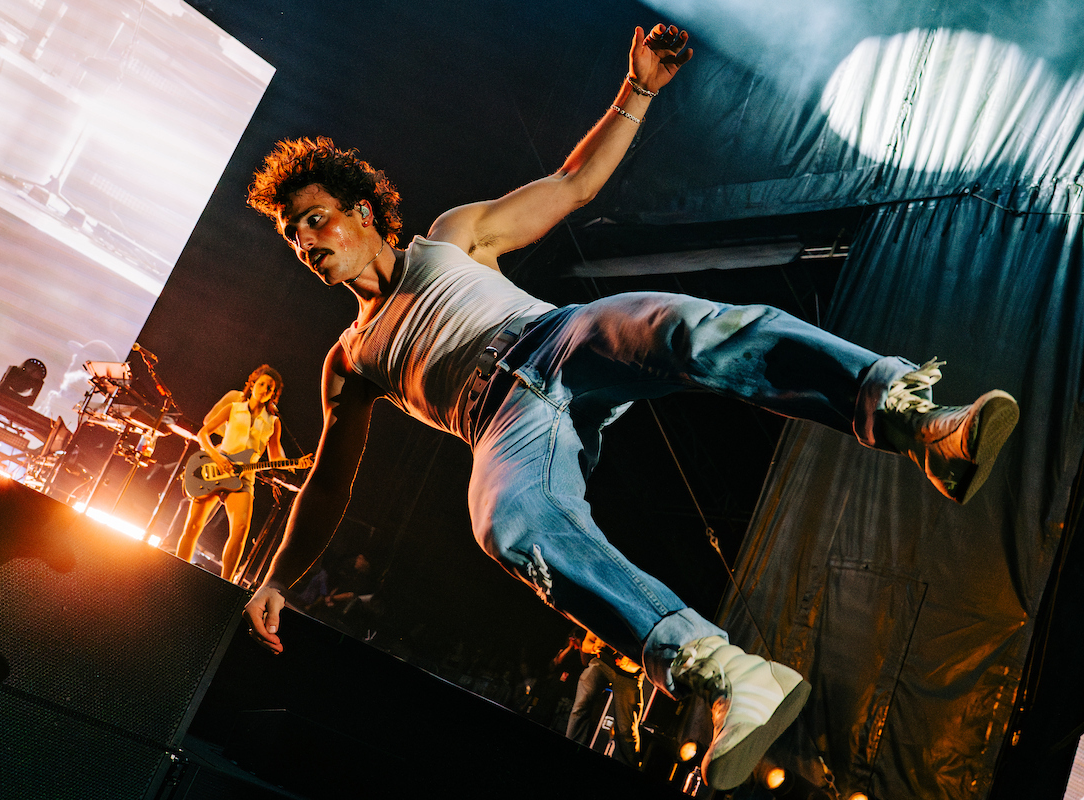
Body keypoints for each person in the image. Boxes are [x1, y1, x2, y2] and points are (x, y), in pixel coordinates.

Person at [241, 23, 1019, 791]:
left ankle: (917, 421)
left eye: (314, 218)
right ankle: (723, 674)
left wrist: (637, 90)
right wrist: (280, 576)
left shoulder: (450, 239)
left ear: (363, 211)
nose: (305, 241)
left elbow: (572, 184)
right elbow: (329, 483)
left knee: (685, 329)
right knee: (502, 523)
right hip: (504, 426)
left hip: (555, 340)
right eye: (291, 235)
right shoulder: (351, 361)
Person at [176, 364, 286, 581]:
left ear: (273, 394)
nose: (265, 389)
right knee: (194, 524)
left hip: (244, 477)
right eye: (262, 384)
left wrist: (294, 464)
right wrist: (217, 456)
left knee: (241, 529)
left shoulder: (273, 422)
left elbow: (276, 457)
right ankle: (175, 571)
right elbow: (203, 433)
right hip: (217, 467)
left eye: (270, 388)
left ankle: (224, 583)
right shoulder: (234, 408)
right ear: (253, 384)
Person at [565, 631, 644, 767]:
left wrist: (633, 663)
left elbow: (651, 656)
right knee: (581, 705)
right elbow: (586, 644)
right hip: (602, 663)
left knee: (626, 729)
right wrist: (595, 647)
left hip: (629, 674)